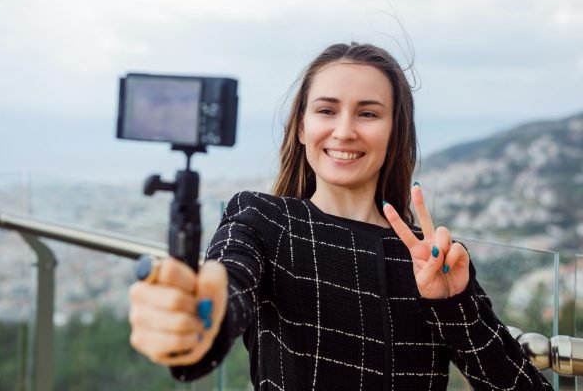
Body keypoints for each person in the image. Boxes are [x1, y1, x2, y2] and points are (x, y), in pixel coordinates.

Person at [128, 42, 553, 390]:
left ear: (395, 131)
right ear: (300, 127)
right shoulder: (264, 220)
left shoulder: (429, 258)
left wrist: (455, 304)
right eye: (327, 110)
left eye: (368, 113)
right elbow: (229, 288)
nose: (345, 130)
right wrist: (195, 318)